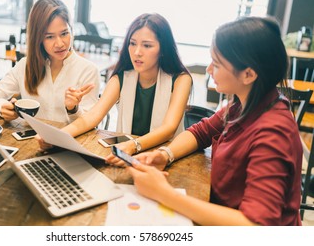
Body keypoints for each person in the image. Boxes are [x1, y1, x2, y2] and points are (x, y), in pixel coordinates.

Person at [128, 16, 303, 226]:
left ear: (248, 74)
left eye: (217, 64)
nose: (209, 70)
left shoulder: (274, 132)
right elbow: (201, 132)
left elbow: (255, 226)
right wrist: (165, 154)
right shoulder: (244, 103)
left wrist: (164, 194)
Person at [38, 13, 192, 165]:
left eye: (147, 45)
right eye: (132, 43)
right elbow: (92, 117)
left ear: (163, 49)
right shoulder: (121, 77)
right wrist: (57, 136)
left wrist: (132, 146)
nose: (137, 52)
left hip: (165, 159)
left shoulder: (180, 80)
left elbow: (169, 129)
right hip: (125, 157)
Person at [0, 0, 100, 123]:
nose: (59, 44)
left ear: (71, 31)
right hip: (31, 141)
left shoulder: (88, 70)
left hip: (69, 141)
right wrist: (1, 107)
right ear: (38, 39)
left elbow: (90, 124)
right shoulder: (26, 66)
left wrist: (73, 109)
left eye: (64, 33)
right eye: (49, 37)